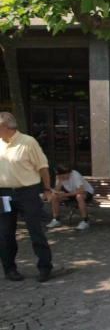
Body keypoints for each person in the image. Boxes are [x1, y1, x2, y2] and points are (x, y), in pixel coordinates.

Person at [0, 112, 54, 282]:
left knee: (35, 230)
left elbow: (43, 168)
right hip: (3, 194)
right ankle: (9, 269)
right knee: (5, 233)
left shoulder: (28, 142)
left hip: (27, 192)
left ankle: (45, 267)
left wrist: (46, 189)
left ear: (3, 126)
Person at [47, 165, 95, 230]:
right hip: (72, 193)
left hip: (86, 192)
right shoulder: (59, 177)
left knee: (79, 196)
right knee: (55, 197)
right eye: (60, 177)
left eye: (63, 177)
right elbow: (56, 190)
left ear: (67, 173)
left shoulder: (75, 174)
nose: (62, 179)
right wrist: (59, 183)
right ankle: (56, 219)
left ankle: (85, 221)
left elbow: (81, 190)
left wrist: (66, 195)